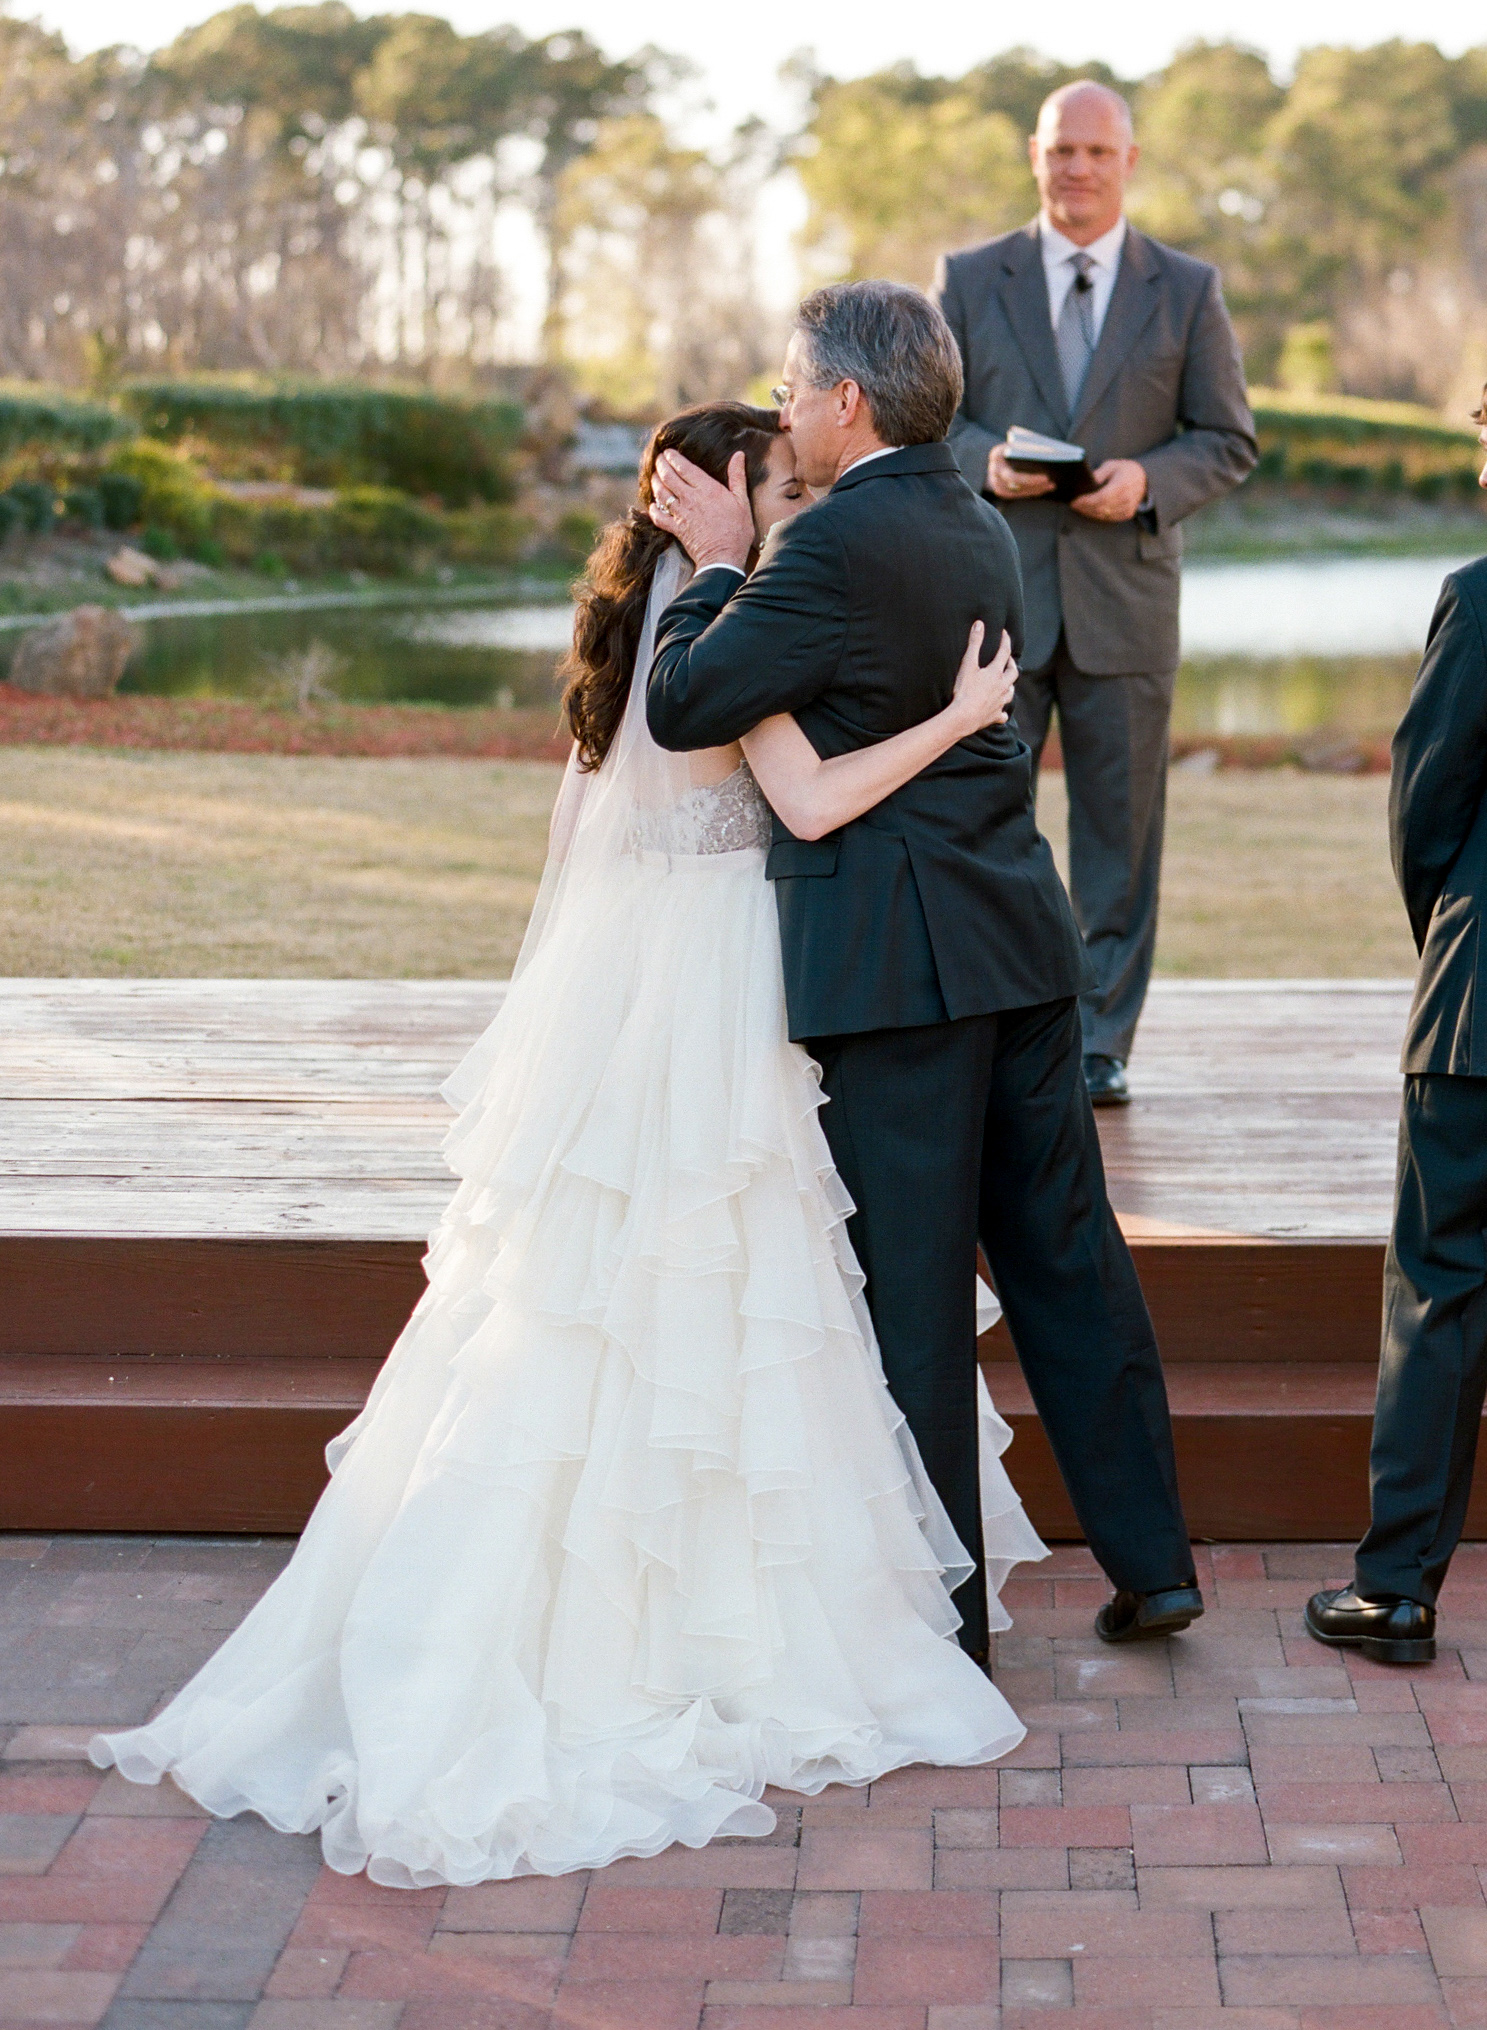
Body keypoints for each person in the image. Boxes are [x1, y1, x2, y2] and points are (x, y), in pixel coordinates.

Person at [88, 400, 1049, 1887]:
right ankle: (696, 1619)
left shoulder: (627, 638)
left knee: (601, 1286)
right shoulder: (723, 637)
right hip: (722, 988)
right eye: (776, 485)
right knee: (726, 1270)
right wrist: (955, 718)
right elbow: (805, 793)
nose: (792, 506)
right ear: (721, 498)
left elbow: (563, 847)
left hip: (624, 995)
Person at [647, 281, 1200, 1657]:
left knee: (909, 1294)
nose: (781, 406)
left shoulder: (825, 546)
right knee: (1067, 1256)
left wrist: (719, 566)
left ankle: (942, 1622)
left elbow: (682, 705)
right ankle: (1154, 1558)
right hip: (1016, 940)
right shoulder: (974, 517)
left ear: (845, 400)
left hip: (896, 974)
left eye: (791, 385)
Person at [931, 81, 1257, 1105]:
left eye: (1094, 151)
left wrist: (1146, 481)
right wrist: (985, 462)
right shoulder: (969, 277)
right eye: (1058, 149)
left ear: (1128, 160)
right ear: (1034, 156)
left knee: (1118, 839)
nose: (1075, 167)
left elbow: (1227, 439)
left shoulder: (1187, 287)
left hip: (1126, 603)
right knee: (983, 825)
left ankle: (1098, 1039)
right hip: (997, 601)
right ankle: (990, 1029)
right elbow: (920, 420)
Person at [1306, 386, 1487, 1667]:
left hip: (1481, 1011)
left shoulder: (1477, 594)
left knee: (1438, 1285)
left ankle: (1397, 1588)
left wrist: (1449, 933)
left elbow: (1423, 802)